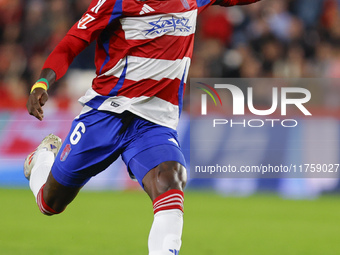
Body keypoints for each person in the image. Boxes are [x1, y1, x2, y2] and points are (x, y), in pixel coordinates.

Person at [24, 0, 260, 254]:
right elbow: (73, 42)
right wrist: (41, 83)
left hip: (154, 123)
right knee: (51, 203)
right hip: (106, 113)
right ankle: (43, 158)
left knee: (171, 181)